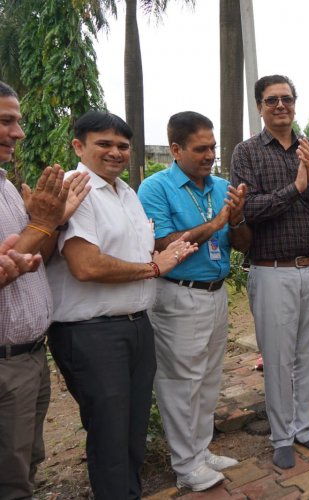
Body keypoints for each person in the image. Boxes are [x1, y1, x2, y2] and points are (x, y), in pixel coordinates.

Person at [45, 111, 198, 500]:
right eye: (104, 144)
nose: (115, 153)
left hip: (135, 326)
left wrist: (164, 256)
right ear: (79, 146)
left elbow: (139, 249)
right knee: (110, 435)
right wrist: (152, 268)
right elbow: (85, 265)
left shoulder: (126, 192)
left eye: (122, 146)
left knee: (131, 431)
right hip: (93, 333)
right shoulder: (75, 189)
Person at [231, 74, 309, 469]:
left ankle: (306, 428)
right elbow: (248, 210)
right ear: (260, 106)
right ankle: (281, 435)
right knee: (278, 358)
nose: (280, 106)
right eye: (271, 100)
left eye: (286, 99)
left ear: (295, 103)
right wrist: (294, 189)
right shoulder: (246, 153)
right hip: (272, 270)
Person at [137, 111, 251, 491]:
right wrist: (216, 223)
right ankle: (185, 464)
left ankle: (201, 451)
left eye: (213, 147)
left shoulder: (221, 186)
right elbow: (162, 244)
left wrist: (236, 220)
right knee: (180, 381)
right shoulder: (156, 188)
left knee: (207, 379)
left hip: (214, 294)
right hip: (177, 295)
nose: (209, 155)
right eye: (200, 149)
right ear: (176, 149)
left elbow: (241, 244)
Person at [0, 80, 90, 499]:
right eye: (6, 122)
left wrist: (50, 222)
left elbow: (33, 256)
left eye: (16, 122)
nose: (17, 133)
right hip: (5, 365)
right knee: (10, 476)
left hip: (33, 355)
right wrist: (40, 225)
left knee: (27, 461)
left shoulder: (6, 186)